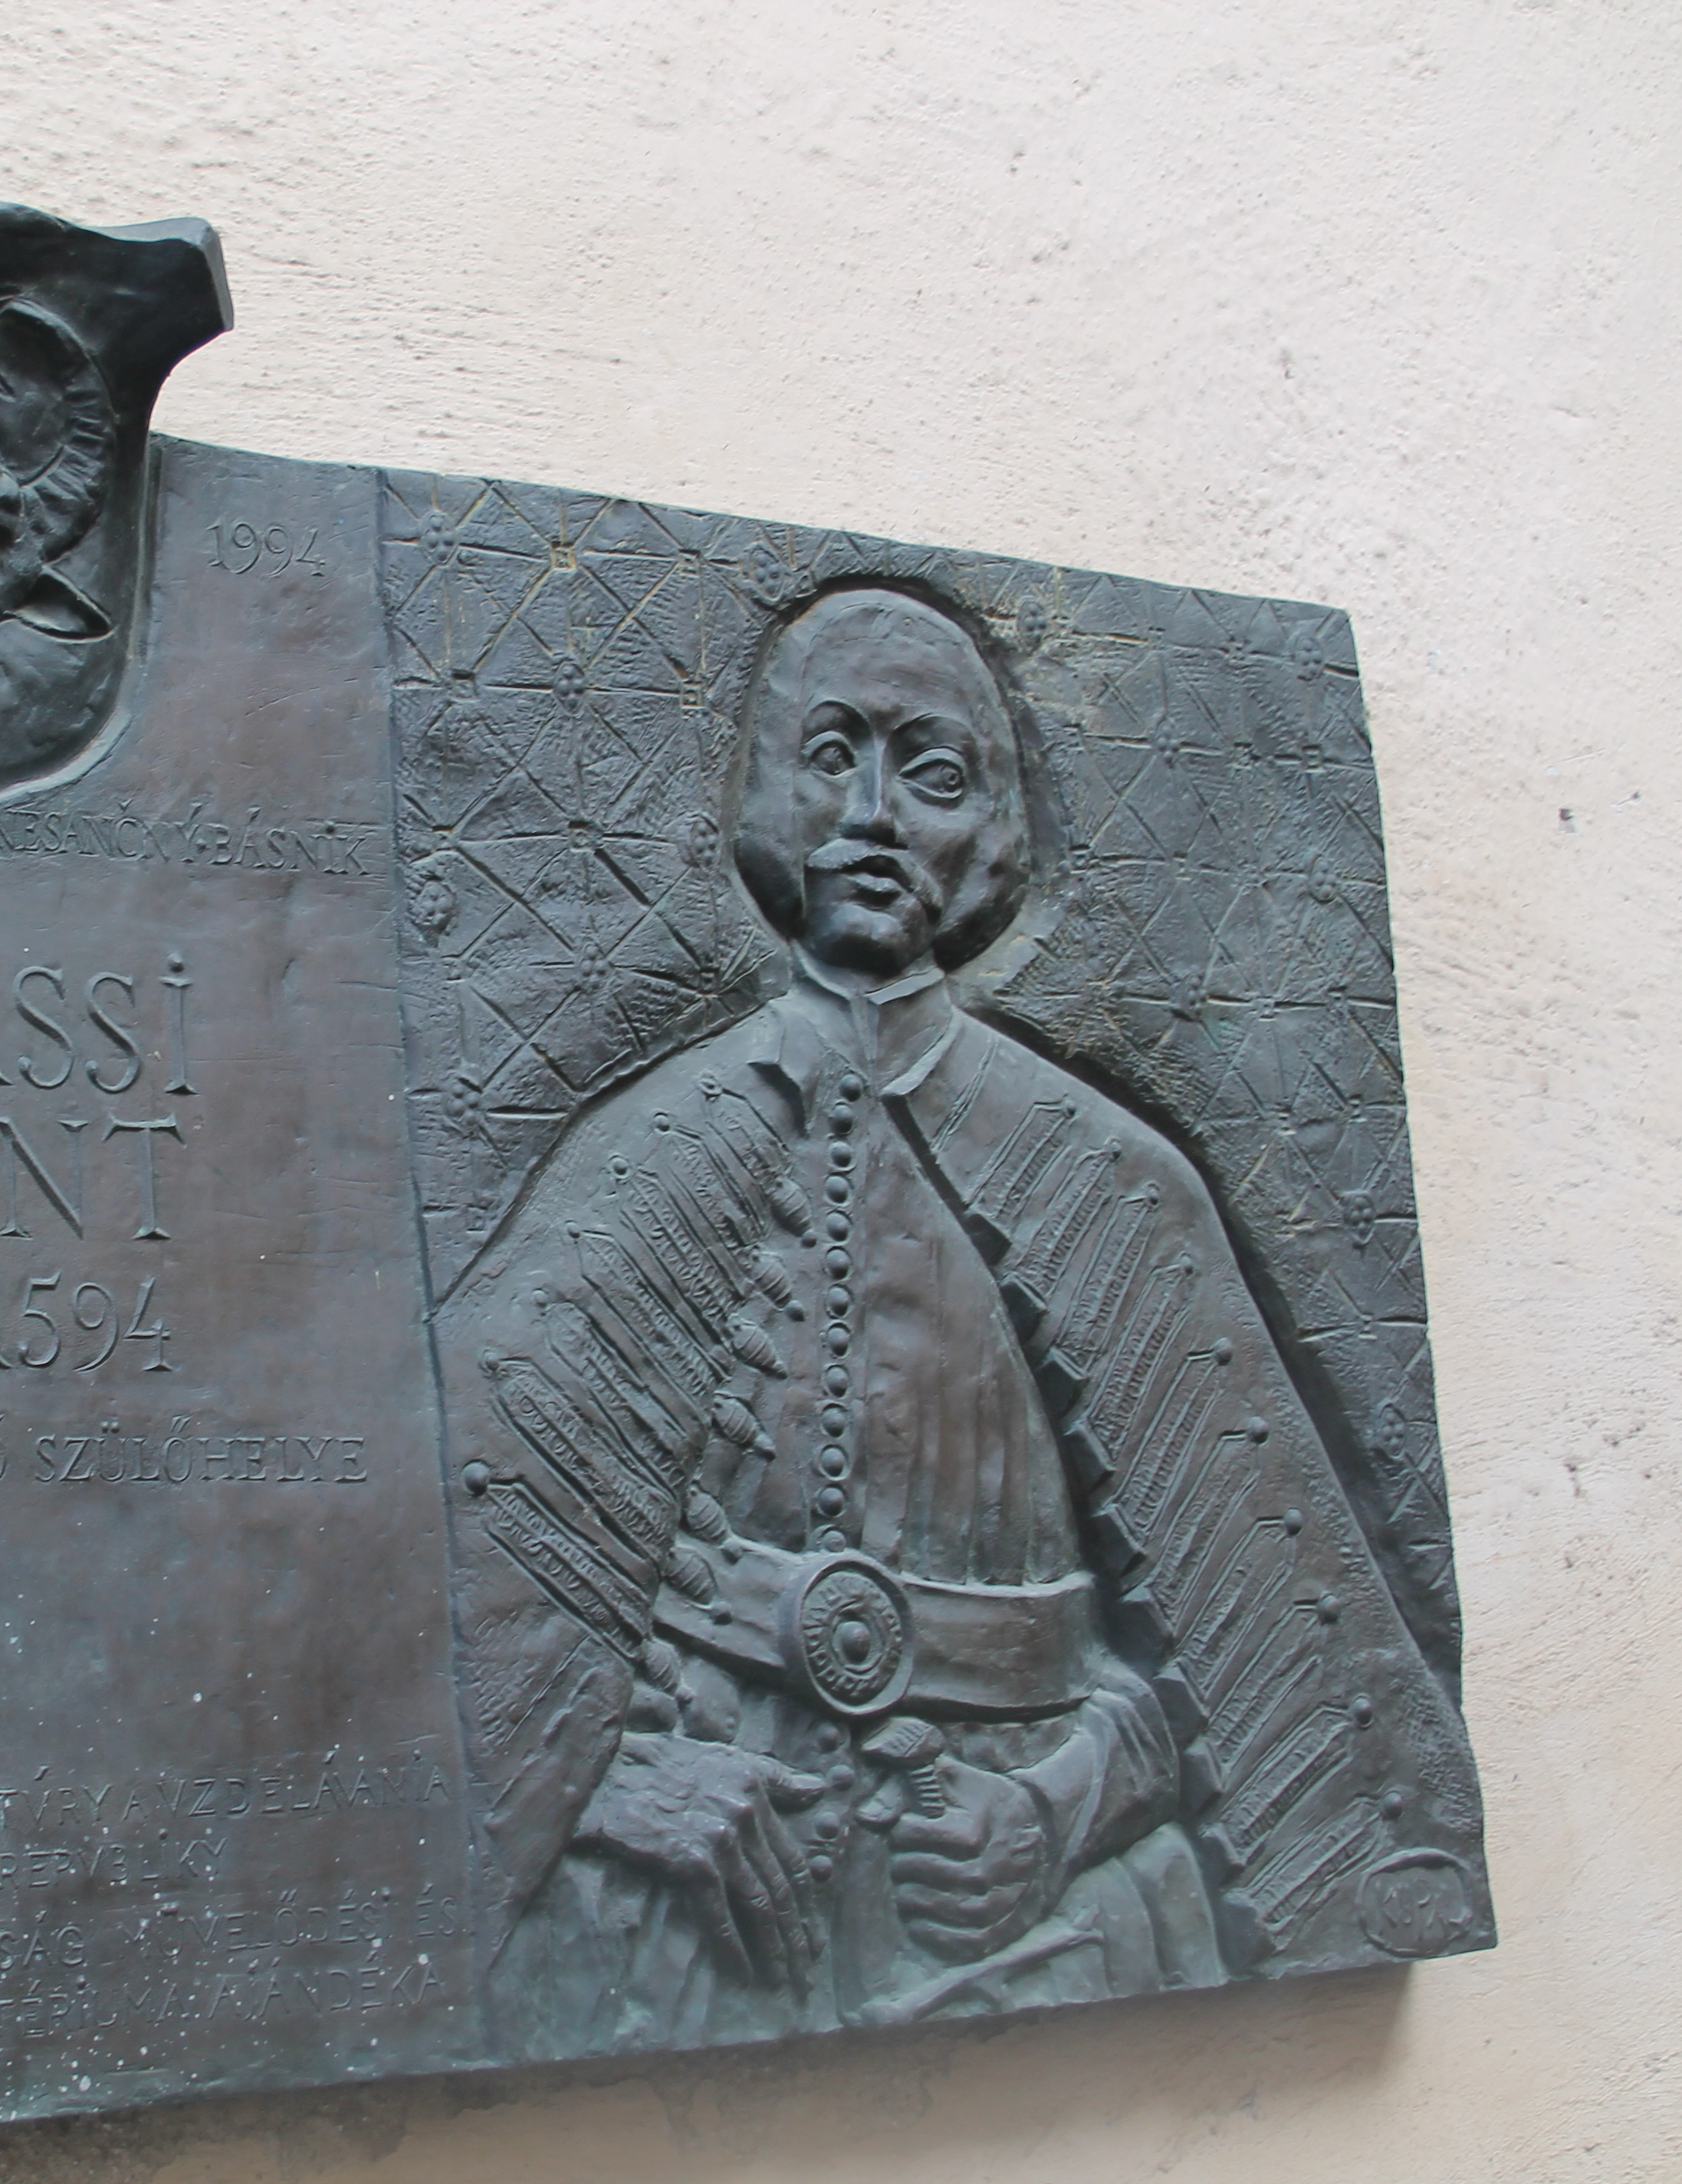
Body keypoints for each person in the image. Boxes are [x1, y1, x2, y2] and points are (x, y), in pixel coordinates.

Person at [432, 581, 1477, 2054]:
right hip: (687, 1914)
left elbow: (1280, 1664)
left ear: (999, 835)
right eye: (830, 757)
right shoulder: (650, 1154)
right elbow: (430, 1574)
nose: (873, 815)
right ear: (757, 800)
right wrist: (626, 1781)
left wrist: (1062, 1809)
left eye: (931, 775)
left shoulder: (1112, 1182)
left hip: (1034, 1919)